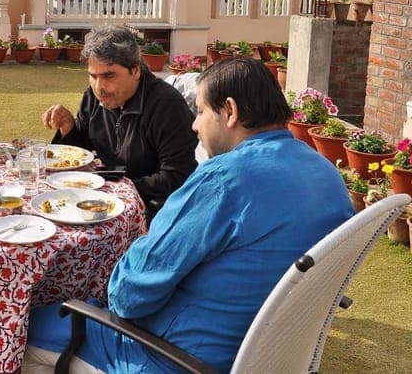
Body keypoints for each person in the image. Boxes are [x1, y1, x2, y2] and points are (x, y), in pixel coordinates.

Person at [24, 57, 355, 374]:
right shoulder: (325, 173)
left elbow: (128, 296)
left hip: (174, 356)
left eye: (199, 112)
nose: (195, 125)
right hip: (268, 351)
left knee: (24, 328)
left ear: (229, 111)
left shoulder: (223, 180)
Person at [41, 25, 197, 214]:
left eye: (109, 75)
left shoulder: (166, 105)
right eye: (93, 76)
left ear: (136, 71)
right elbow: (82, 150)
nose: (99, 87)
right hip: (106, 199)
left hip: (153, 211)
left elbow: (178, 176)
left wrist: (115, 188)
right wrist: (68, 127)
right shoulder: (93, 96)